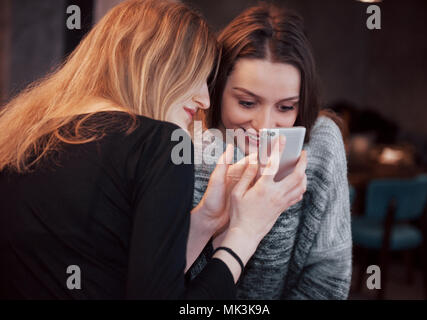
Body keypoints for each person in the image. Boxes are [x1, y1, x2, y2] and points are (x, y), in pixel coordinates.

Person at [0, 0, 307, 299]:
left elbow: (123, 279)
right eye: (198, 76)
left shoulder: (25, 137)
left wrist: (205, 220)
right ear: (158, 67)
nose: (205, 100)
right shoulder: (160, 144)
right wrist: (245, 234)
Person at [187, 3, 353, 299]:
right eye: (247, 103)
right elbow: (163, 278)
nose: (264, 126)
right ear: (215, 88)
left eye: (286, 107)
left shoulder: (321, 144)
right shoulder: (188, 141)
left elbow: (328, 277)